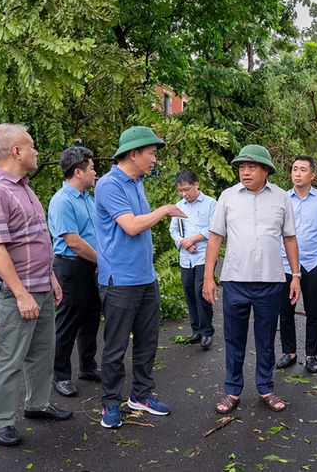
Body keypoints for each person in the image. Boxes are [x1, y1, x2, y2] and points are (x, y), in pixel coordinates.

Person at [0, 123, 73, 447]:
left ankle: (37, 404)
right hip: (17, 292)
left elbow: (36, 240)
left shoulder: (24, 187)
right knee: (9, 357)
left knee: (43, 352)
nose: (35, 151)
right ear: (16, 151)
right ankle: (0, 421)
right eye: (31, 145)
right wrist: (21, 294)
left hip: (41, 286)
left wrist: (51, 278)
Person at [95, 126, 187, 429]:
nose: (154, 159)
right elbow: (132, 226)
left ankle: (141, 395)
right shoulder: (109, 185)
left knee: (148, 342)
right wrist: (164, 210)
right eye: (151, 153)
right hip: (119, 281)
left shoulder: (136, 183)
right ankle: (111, 401)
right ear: (133, 153)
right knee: (115, 346)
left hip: (145, 278)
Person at [202, 145, 301, 414]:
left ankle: (266, 388)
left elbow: (289, 238)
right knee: (234, 338)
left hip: (271, 281)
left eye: (251, 167)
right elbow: (215, 237)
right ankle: (232, 391)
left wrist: (296, 276)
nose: (245, 172)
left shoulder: (282, 198)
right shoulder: (227, 197)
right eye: (241, 167)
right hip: (235, 280)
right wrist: (208, 276)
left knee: (266, 339)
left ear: (266, 170)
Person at [48, 147, 102, 397]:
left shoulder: (88, 199)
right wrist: (102, 260)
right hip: (71, 266)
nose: (94, 172)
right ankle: (59, 376)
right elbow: (74, 242)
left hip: (91, 265)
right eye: (91, 168)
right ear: (78, 172)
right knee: (68, 322)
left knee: (91, 317)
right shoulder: (62, 200)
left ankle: (88, 366)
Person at [276, 156, 317, 374]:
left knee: (313, 311)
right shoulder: (282, 198)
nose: (297, 173)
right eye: (294, 169)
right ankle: (289, 353)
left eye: (303, 170)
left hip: (312, 264)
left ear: (312, 175)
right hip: (283, 264)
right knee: (285, 310)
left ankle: (311, 355)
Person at [169, 170, 217, 349]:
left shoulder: (211, 204)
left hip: (205, 255)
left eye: (187, 189)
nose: (184, 194)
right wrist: (183, 243)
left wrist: (193, 239)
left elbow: (214, 228)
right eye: (180, 190)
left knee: (201, 292)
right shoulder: (178, 206)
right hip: (186, 256)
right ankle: (196, 329)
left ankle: (207, 332)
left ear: (196, 185)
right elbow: (173, 230)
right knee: (189, 291)